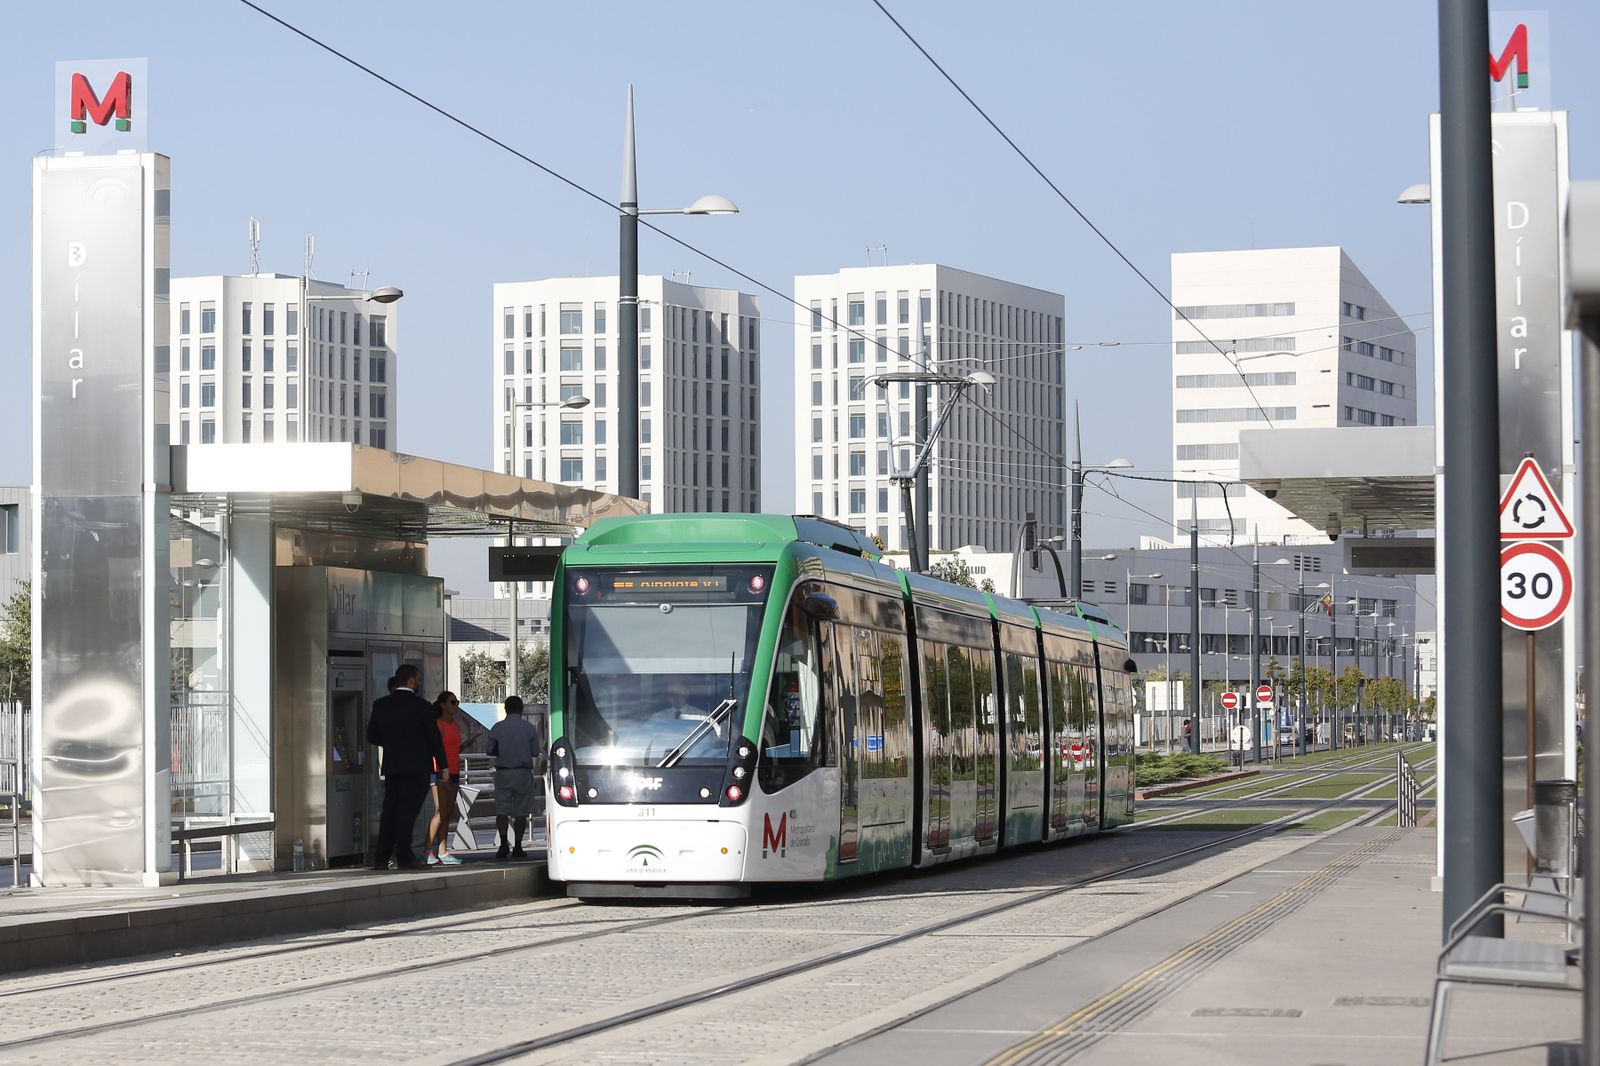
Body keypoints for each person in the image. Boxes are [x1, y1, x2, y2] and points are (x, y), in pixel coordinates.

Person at [366, 664, 447, 870]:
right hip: (417, 767)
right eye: (417, 679)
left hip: (392, 766)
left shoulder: (381, 705)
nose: (419, 683)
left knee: (389, 811)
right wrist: (443, 766)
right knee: (407, 812)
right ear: (410, 680)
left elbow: (372, 736)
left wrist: (393, 744)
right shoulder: (422, 707)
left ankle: (381, 857)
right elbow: (434, 739)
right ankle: (404, 855)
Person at [486, 695, 543, 859]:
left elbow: (489, 750)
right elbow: (535, 752)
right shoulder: (529, 728)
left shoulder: (497, 728)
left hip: (503, 772)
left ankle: (503, 844)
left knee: (501, 810)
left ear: (505, 709)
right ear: (521, 709)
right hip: (522, 772)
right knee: (521, 811)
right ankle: (518, 846)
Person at [425, 690, 464, 866]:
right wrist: (441, 770)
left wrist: (465, 745)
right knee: (440, 812)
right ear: (443, 705)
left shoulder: (455, 725)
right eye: (452, 702)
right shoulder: (438, 724)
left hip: (454, 770)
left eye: (457, 702)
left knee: (447, 813)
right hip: (440, 771)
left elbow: (453, 748)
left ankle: (443, 851)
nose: (456, 706)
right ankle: (427, 850)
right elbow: (435, 749)